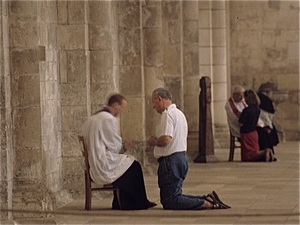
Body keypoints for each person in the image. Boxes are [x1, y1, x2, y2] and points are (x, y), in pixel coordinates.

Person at [147, 87, 230, 210]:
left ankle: (206, 204)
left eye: (153, 102)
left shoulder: (167, 114)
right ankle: (207, 199)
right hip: (180, 158)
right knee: (174, 196)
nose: (153, 106)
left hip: (171, 161)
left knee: (171, 200)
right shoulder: (179, 114)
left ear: (159, 99)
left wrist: (153, 141)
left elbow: (166, 140)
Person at [83, 93, 156, 210]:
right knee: (134, 165)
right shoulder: (108, 119)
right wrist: (125, 145)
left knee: (128, 164)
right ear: (116, 105)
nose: (123, 111)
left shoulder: (92, 118)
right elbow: (114, 146)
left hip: (95, 161)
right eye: (123, 107)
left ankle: (120, 202)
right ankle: (134, 203)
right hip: (102, 162)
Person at [238, 89, 274, 162]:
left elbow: (241, 123)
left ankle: (264, 151)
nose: (244, 100)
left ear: (248, 98)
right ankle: (266, 153)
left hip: (246, 134)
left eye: (245, 98)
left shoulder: (246, 110)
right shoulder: (257, 109)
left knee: (248, 155)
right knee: (254, 152)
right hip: (254, 133)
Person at [256, 88, 279, 154]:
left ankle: (267, 151)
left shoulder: (262, 106)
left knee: (265, 130)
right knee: (264, 131)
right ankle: (267, 151)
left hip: (263, 122)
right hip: (262, 122)